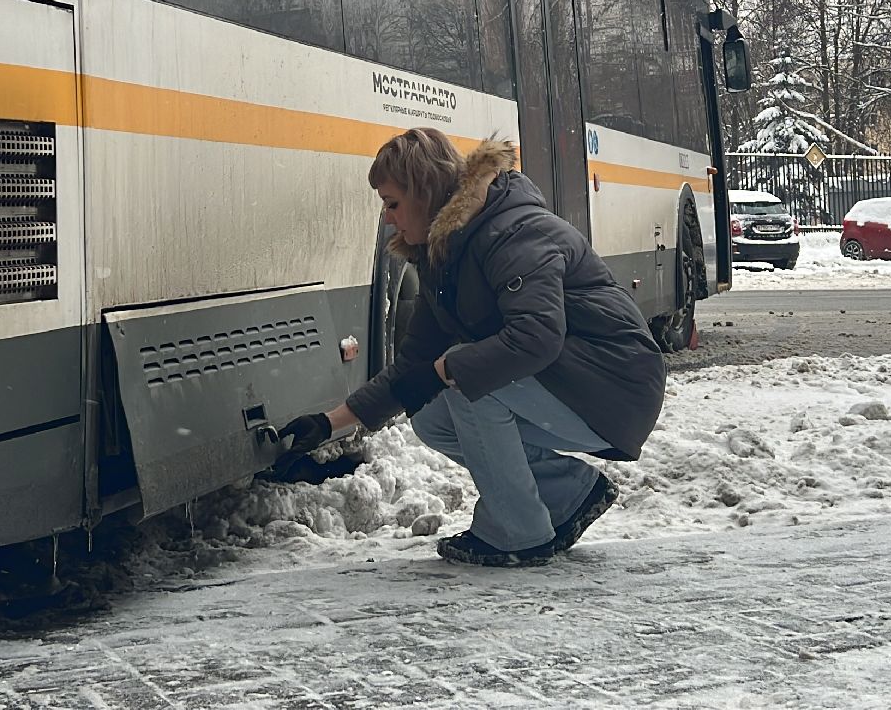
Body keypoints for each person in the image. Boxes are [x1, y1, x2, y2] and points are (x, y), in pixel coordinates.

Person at [278, 128, 666, 567]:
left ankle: (519, 534)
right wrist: (328, 424)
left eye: (392, 203)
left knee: (467, 381)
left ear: (424, 194)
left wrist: (450, 369)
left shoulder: (513, 232)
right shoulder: (444, 255)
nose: (387, 218)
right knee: (431, 418)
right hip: (571, 381)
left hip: (617, 383)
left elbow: (536, 336)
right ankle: (567, 493)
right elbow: (414, 367)